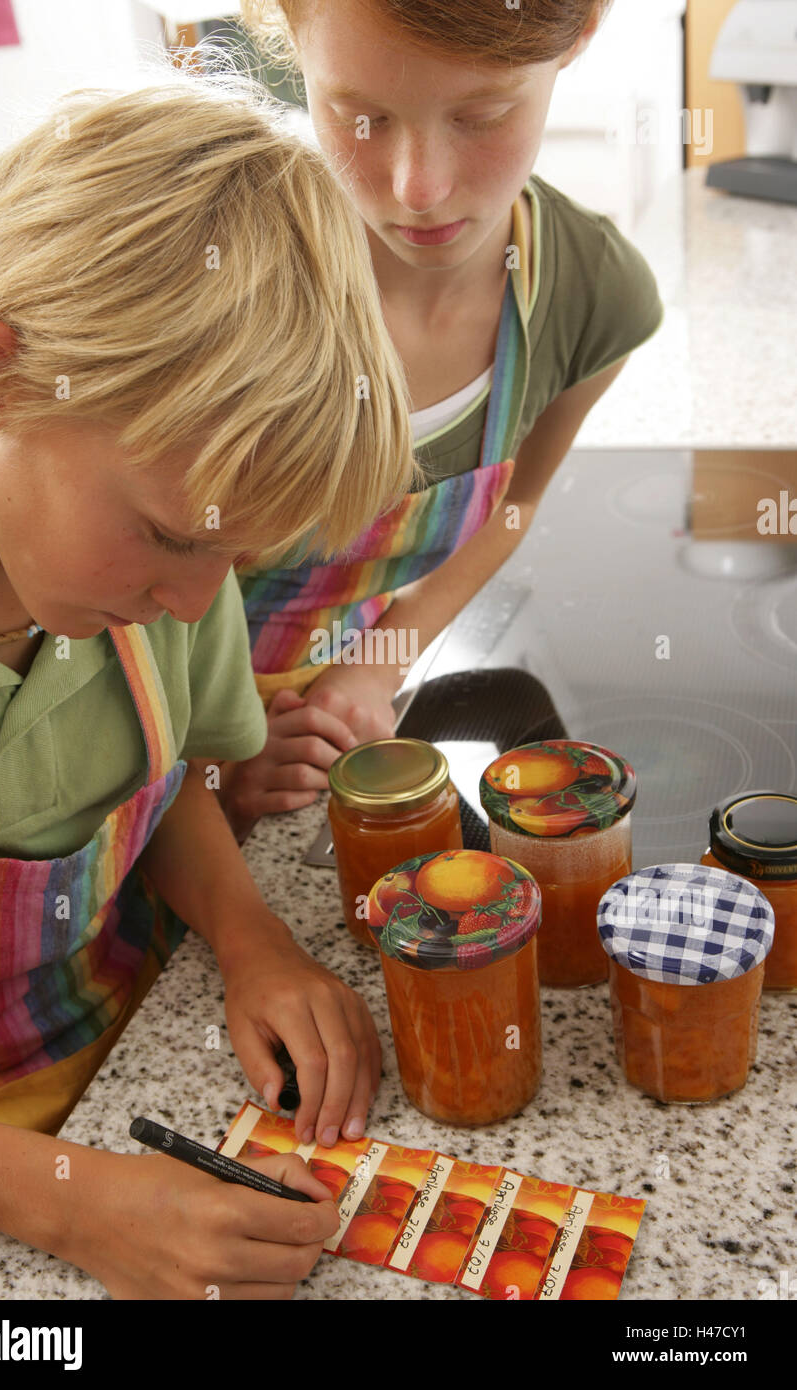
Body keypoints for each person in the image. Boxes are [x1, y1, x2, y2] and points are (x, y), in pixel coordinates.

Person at [0, 68, 415, 1298]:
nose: (201, 606)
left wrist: (255, 942)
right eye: (172, 538)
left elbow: (174, 776)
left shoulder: (148, 571)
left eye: (231, 558)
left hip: (124, 1075)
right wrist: (69, 1200)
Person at [224, 0, 664, 831]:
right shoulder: (228, 271)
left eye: (481, 115)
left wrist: (371, 669)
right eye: (361, 116)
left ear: (579, 35)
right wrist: (214, 751)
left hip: (314, 741)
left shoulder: (591, 293)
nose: (416, 187)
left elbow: (513, 506)